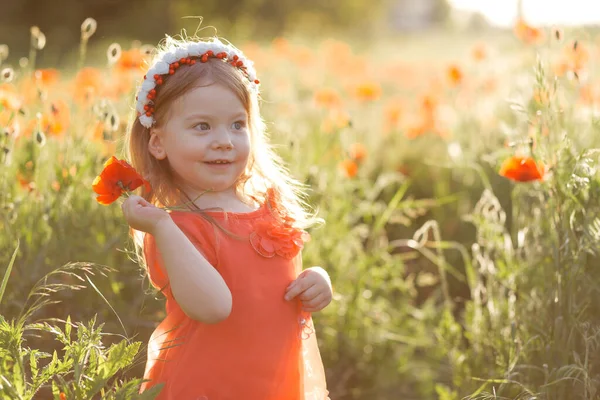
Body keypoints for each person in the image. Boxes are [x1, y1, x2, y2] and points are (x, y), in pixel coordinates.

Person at [120, 34, 332, 400]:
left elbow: (281, 283)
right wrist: (160, 226)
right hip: (207, 384)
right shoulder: (175, 226)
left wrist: (316, 281)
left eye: (237, 124)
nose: (224, 140)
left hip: (274, 382)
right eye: (202, 126)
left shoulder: (267, 208)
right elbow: (214, 307)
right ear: (158, 142)